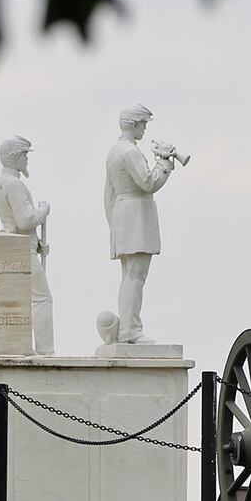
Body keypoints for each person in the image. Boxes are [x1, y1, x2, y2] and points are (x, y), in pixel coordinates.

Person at [103, 103, 176, 344]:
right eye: (143, 124)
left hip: (122, 213)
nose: (144, 129)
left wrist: (113, 223)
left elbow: (108, 194)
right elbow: (147, 182)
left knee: (130, 275)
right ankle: (130, 331)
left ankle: (127, 328)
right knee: (136, 276)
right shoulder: (130, 152)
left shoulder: (114, 152)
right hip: (135, 214)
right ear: (134, 124)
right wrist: (164, 164)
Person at [0, 136, 54, 355]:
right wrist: (43, 210)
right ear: (15, 157)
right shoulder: (14, 184)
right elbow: (26, 220)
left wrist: (37, 244)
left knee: (19, 300)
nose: (27, 159)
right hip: (21, 249)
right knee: (42, 298)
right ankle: (45, 351)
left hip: (16, 246)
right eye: (25, 154)